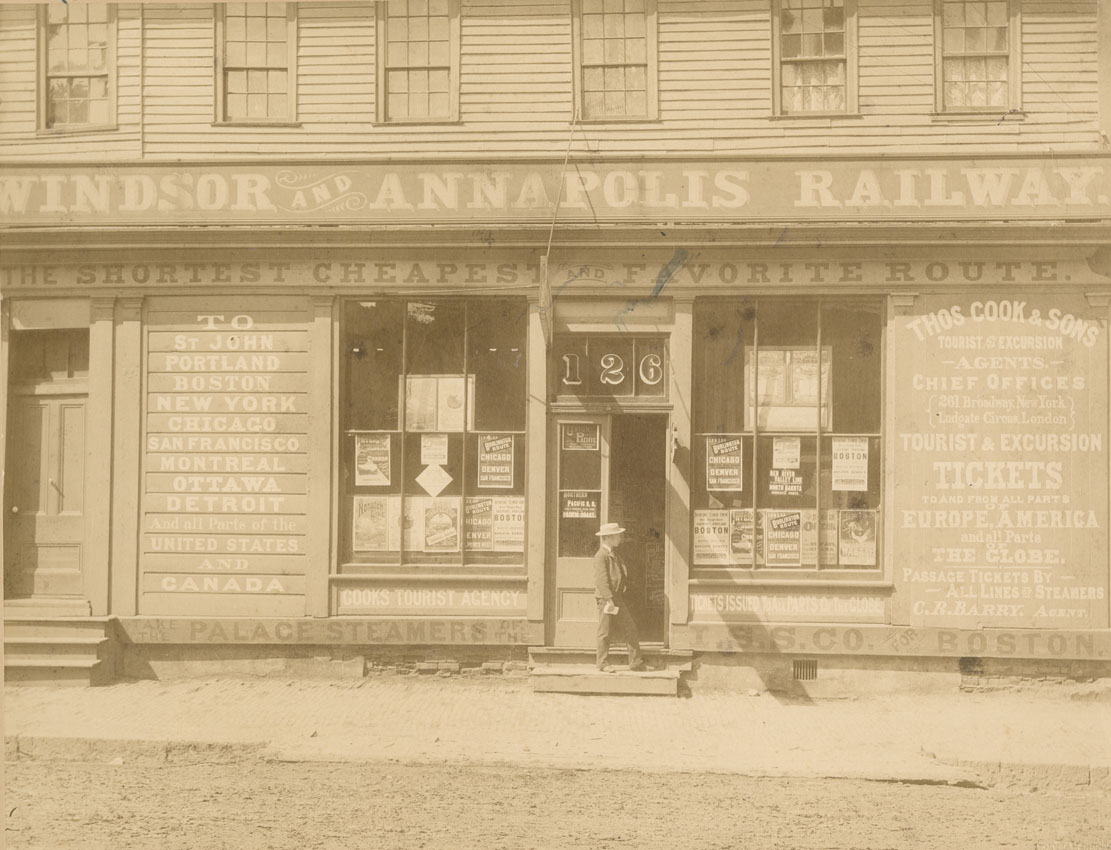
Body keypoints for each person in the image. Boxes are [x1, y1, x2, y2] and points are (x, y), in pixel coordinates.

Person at [593, 522, 647, 672]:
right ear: (609, 537)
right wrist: (609, 599)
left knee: (630, 628)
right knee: (605, 632)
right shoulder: (601, 555)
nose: (619, 538)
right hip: (607, 600)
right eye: (617, 535)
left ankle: (635, 662)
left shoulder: (613, 553)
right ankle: (602, 663)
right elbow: (601, 581)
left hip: (617, 598)